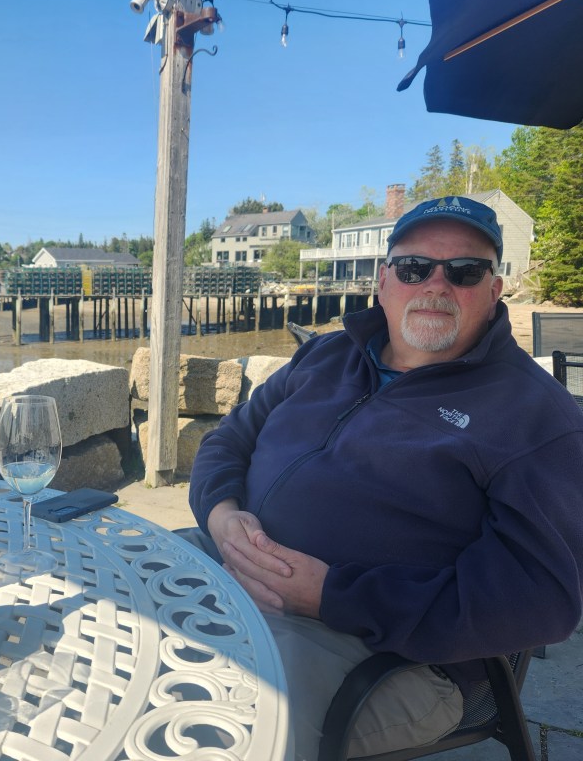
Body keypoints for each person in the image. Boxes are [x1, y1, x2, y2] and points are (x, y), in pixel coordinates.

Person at [188, 195, 583, 760]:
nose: (437, 285)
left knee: (204, 722)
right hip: (225, 565)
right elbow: (227, 442)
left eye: (465, 271)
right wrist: (222, 517)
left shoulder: (535, 416)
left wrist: (331, 596)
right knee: (101, 622)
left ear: (495, 290)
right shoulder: (325, 357)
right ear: (383, 281)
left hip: (381, 651)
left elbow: (540, 598)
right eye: (414, 267)